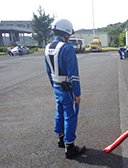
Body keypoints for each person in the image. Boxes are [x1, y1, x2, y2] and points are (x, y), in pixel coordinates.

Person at [44, 18, 86, 159]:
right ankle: (70, 147)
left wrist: (54, 86)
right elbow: (73, 75)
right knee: (71, 116)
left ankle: (61, 139)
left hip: (56, 86)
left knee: (59, 112)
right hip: (67, 88)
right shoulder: (67, 48)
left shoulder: (48, 47)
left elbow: (48, 72)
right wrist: (77, 93)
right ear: (66, 33)